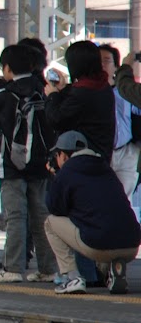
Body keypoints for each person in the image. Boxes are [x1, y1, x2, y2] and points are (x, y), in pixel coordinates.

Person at [0, 43, 55, 283]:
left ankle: (13, 268)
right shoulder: (42, 90)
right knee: (41, 216)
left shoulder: (6, 94)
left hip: (11, 165)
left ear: (7, 67)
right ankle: (48, 268)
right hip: (40, 164)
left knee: (15, 216)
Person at [43, 129, 141, 295]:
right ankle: (115, 272)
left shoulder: (67, 171)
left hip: (99, 244)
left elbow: (55, 208)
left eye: (57, 156)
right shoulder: (105, 168)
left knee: (51, 223)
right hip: (132, 245)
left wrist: (56, 178)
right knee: (99, 224)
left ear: (64, 156)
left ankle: (72, 277)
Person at [45, 40, 114, 164]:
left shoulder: (83, 92)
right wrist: (64, 88)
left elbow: (57, 119)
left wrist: (52, 95)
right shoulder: (102, 85)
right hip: (100, 156)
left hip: (84, 159)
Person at [100, 44, 141, 216]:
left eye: (106, 61)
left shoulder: (125, 91)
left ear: (116, 66)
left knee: (125, 203)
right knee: (100, 200)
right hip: (101, 153)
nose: (101, 65)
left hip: (126, 151)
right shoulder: (89, 94)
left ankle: (125, 240)